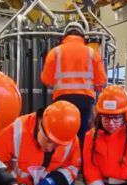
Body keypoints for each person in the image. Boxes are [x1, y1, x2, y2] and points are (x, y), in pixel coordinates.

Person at [41, 22, 107, 150]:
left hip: (62, 100)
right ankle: (81, 165)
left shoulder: (55, 52)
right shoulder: (92, 53)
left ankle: (62, 164)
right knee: (83, 134)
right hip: (85, 101)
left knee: (62, 134)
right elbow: (101, 81)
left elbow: (46, 79)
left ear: (64, 36)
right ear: (82, 37)